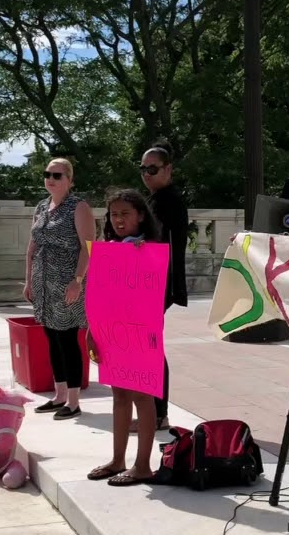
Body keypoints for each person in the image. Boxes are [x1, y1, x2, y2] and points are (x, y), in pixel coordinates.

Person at [87, 188, 164, 486]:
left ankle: (142, 464)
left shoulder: (149, 249)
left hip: (139, 332)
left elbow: (153, 295)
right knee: (119, 395)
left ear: (140, 216)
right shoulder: (109, 249)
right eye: (114, 214)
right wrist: (93, 330)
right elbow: (99, 296)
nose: (119, 220)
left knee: (142, 396)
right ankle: (118, 459)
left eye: (125, 214)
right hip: (113, 332)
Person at [25, 157, 96, 421]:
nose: (51, 179)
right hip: (43, 282)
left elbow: (88, 247)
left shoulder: (78, 207)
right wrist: (28, 279)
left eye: (57, 175)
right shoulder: (42, 206)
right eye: (48, 174)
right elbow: (32, 245)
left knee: (67, 339)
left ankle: (74, 400)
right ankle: (59, 394)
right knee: (51, 338)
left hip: (68, 282)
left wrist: (77, 280)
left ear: (69, 179)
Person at [139, 141, 188, 431]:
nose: (147, 173)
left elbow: (158, 245)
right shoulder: (158, 198)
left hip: (160, 282)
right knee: (149, 344)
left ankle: (158, 413)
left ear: (168, 169)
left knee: (151, 345)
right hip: (158, 281)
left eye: (153, 168)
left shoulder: (167, 200)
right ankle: (155, 412)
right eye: (143, 169)